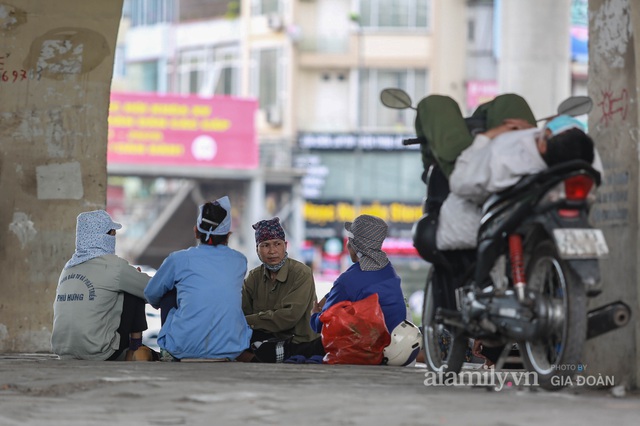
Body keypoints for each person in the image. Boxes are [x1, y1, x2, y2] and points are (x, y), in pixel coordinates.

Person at [416, 93, 602, 250]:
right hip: (531, 190)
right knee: (511, 101)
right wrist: (531, 134)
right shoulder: (588, 161)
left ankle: (430, 168)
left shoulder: (503, 157)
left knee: (435, 105)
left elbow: (460, 181)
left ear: (543, 145)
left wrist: (488, 137)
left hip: (478, 172)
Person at [144, 196, 253, 362]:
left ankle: (168, 352)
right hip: (231, 349)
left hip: (184, 348)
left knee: (169, 292)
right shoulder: (240, 261)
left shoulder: (178, 259)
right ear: (228, 235)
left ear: (196, 231)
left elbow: (151, 293)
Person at [310, 214, 417, 366]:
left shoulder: (347, 281)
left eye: (349, 241)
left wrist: (314, 315)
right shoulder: (388, 269)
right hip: (400, 349)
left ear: (355, 245)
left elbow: (320, 326)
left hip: (371, 353)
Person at [51, 210, 154, 361]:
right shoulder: (114, 266)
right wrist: (136, 276)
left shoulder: (67, 268)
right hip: (100, 351)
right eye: (113, 234)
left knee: (127, 284)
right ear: (106, 236)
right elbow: (152, 288)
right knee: (133, 288)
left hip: (64, 352)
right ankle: (135, 348)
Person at [242, 217, 323, 363]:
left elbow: (288, 317)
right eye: (265, 245)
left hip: (298, 342)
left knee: (262, 352)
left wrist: (246, 321)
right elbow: (242, 311)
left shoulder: (301, 273)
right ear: (257, 249)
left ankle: (258, 357)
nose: (272, 251)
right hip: (268, 338)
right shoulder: (254, 277)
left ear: (285, 246)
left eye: (277, 244)